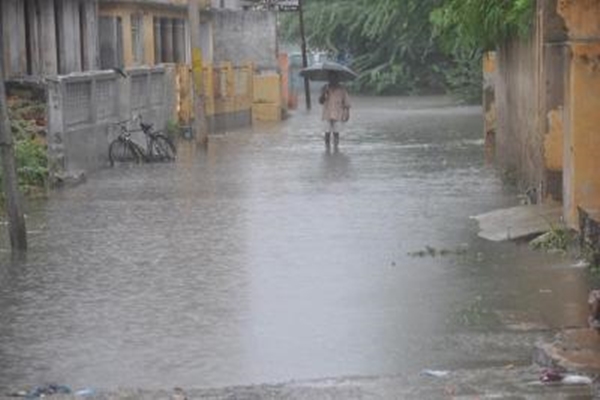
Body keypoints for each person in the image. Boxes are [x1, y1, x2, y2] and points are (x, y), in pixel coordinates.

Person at [319, 71, 351, 147]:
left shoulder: (342, 89)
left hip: (338, 114)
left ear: (337, 79)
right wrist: (324, 93)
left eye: (334, 78)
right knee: (327, 133)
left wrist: (347, 114)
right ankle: (327, 149)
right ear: (328, 79)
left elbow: (347, 103)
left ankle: (336, 149)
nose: (332, 80)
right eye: (331, 78)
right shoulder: (324, 88)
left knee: (336, 133)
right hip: (327, 114)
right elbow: (320, 101)